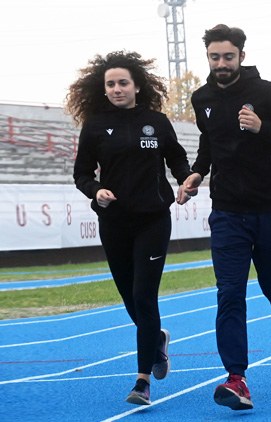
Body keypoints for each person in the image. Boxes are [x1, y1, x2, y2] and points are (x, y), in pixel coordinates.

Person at [181, 24, 271, 411]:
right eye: (214, 57)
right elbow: (210, 141)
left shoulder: (266, 92)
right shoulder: (201, 97)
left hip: (270, 208)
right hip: (226, 212)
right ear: (208, 57)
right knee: (230, 293)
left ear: (241, 55)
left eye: (228, 56)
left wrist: (262, 127)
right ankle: (236, 378)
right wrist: (196, 172)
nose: (221, 64)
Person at [69, 50, 193, 405]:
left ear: (137, 85)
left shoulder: (156, 120)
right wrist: (97, 191)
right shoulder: (94, 125)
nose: (117, 88)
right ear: (103, 89)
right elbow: (81, 173)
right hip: (114, 221)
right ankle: (156, 340)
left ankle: (142, 382)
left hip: (153, 218)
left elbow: (177, 158)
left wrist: (186, 179)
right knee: (129, 298)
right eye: (111, 84)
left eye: (123, 82)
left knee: (143, 295)